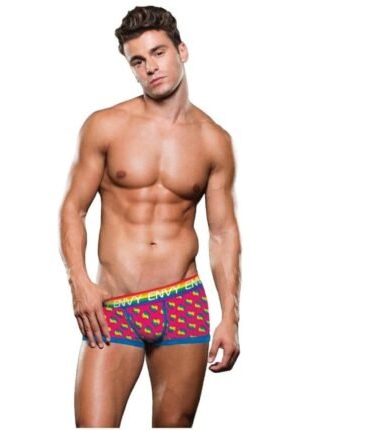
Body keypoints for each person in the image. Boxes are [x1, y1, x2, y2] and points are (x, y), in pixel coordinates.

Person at [59, 5, 242, 428]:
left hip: (183, 300)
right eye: (138, 61)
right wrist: (79, 282)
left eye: (158, 53)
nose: (150, 67)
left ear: (182, 51)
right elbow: (73, 208)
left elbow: (223, 233)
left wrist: (230, 317)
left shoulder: (214, 141)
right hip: (114, 303)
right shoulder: (105, 126)